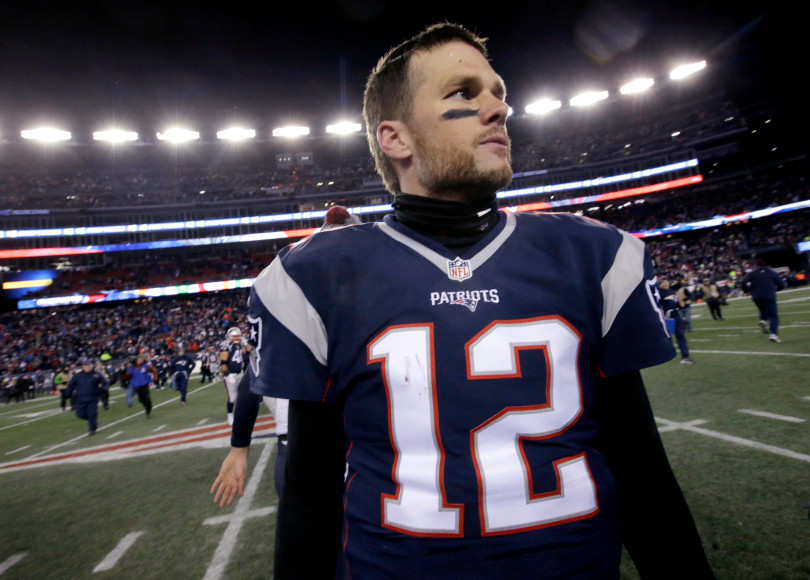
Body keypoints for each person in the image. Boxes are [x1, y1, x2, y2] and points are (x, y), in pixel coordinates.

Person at [247, 23, 714, 580]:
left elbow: (641, 473)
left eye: (499, 93)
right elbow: (310, 493)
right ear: (395, 139)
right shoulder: (317, 276)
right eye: (464, 94)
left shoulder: (592, 254)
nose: (498, 109)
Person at [211, 205, 359, 508]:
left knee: (309, 546)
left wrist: (239, 448)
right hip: (339, 447)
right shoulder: (354, 311)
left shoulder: (289, 303)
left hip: (308, 449)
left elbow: (252, 384)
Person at [740, 259, 786, 343]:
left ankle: (762, 320)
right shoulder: (771, 272)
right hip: (769, 295)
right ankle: (774, 334)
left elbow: (743, 282)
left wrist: (747, 291)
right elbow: (782, 285)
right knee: (773, 316)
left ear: (756, 266)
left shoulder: (752, 273)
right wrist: (775, 289)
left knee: (762, 308)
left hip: (756, 296)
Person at [64, 358, 109, 435]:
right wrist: (67, 393)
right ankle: (93, 420)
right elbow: (71, 385)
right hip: (81, 398)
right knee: (80, 414)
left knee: (92, 413)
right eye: (86, 365)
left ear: (92, 366)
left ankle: (92, 429)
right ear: (83, 366)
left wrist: (105, 388)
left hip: (93, 398)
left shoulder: (97, 374)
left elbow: (105, 383)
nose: (87, 367)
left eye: (89, 365)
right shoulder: (77, 376)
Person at [658, 279, 694, 364]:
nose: (666, 283)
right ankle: (665, 355)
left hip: (677, 316)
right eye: (663, 282)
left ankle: (685, 356)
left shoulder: (672, 291)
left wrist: (680, 303)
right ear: (660, 284)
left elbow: (675, 303)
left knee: (681, 336)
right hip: (667, 318)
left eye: (667, 282)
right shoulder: (658, 293)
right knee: (667, 338)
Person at [220, 327, 249, 425]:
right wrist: (228, 374)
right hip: (230, 374)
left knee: (243, 395)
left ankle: (242, 414)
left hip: (240, 373)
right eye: (235, 336)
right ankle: (230, 414)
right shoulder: (226, 346)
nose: (237, 338)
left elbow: (250, 351)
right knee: (232, 398)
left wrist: (245, 342)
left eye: (238, 336)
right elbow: (223, 363)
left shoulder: (241, 344)